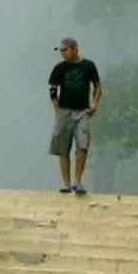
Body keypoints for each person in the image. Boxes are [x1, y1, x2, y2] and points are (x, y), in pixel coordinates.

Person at [48, 37, 102, 194]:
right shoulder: (59, 68)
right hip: (64, 110)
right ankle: (66, 183)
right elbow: (53, 88)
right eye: (61, 51)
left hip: (82, 110)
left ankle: (78, 181)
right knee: (63, 148)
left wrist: (95, 103)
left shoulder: (88, 66)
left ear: (74, 49)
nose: (62, 54)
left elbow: (98, 86)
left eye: (65, 50)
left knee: (83, 145)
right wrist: (56, 107)